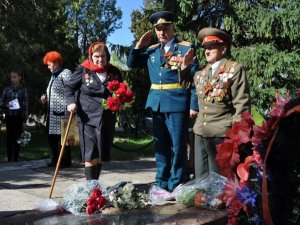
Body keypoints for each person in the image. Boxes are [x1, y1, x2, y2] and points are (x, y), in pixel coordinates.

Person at [127, 11, 199, 192]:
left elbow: (193, 79)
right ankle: (161, 182)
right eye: (158, 29)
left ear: (172, 28)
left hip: (177, 103)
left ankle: (177, 182)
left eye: (165, 28)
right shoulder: (151, 50)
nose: (161, 32)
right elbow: (131, 63)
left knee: (178, 146)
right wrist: (138, 46)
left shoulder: (184, 48)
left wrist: (193, 105)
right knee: (161, 146)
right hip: (157, 103)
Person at [183, 27, 251, 178]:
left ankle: (219, 202)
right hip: (201, 132)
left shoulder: (234, 69)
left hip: (221, 133)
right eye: (205, 48)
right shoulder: (201, 73)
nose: (207, 51)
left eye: (211, 47)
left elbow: (242, 104)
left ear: (223, 48)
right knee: (201, 176)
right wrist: (185, 66)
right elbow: (185, 84)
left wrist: (236, 136)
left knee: (219, 178)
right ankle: (202, 201)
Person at [64, 41, 123, 180]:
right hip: (87, 118)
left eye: (103, 56)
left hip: (107, 118)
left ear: (107, 56)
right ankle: (91, 189)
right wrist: (70, 102)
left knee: (100, 154)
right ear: (91, 56)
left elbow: (121, 90)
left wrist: (121, 101)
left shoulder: (114, 71)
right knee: (90, 153)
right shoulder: (83, 70)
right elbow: (68, 88)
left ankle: (95, 187)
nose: (100, 59)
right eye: (96, 56)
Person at [41, 51, 72, 167]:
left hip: (63, 112)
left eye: (49, 64)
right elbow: (52, 91)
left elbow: (72, 90)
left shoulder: (66, 73)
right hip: (52, 113)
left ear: (56, 63)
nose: (48, 67)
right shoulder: (53, 76)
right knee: (52, 138)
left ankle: (65, 161)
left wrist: (71, 105)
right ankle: (55, 159)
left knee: (64, 139)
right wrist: (45, 97)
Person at [0, 71, 28, 162]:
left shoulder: (23, 90)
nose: (12, 79)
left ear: (19, 77)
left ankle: (15, 158)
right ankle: (9, 159)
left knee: (17, 138)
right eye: (11, 77)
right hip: (9, 117)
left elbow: (26, 106)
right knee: (9, 138)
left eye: (14, 77)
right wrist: (7, 105)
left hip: (18, 117)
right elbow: (1, 101)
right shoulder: (7, 89)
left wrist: (24, 120)